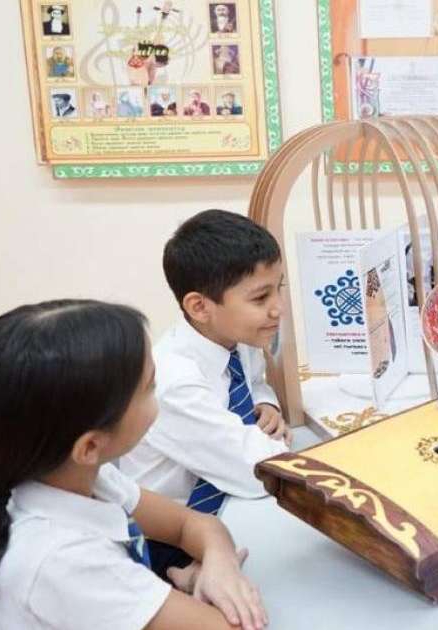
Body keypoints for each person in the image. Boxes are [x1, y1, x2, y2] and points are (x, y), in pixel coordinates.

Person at [0, 300, 268, 630]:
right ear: (89, 446)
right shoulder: (65, 561)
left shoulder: (82, 478)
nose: (158, 394)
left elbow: (192, 525)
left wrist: (219, 565)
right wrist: (203, 590)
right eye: (150, 387)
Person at [120, 210, 290, 580]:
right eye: (261, 297)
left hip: (230, 501)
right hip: (169, 538)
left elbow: (254, 381)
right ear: (199, 307)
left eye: (280, 288)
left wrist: (266, 402)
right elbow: (256, 469)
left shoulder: (235, 339)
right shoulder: (173, 382)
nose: (278, 308)